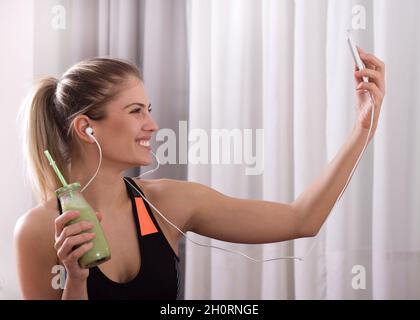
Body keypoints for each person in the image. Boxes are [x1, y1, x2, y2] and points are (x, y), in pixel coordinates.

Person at [14, 51, 386, 300]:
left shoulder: (167, 203)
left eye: (149, 109)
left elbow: (301, 219)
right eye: (135, 112)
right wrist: (76, 282)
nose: (153, 125)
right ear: (86, 128)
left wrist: (363, 131)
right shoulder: (39, 229)